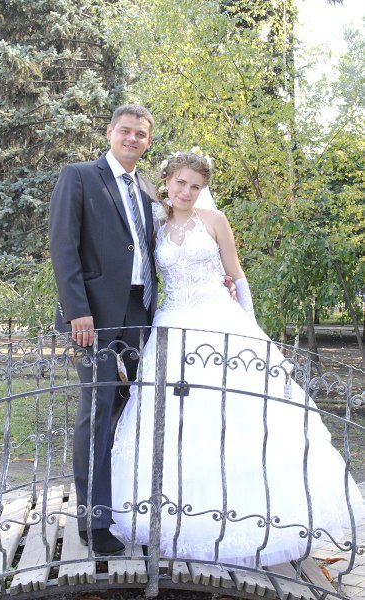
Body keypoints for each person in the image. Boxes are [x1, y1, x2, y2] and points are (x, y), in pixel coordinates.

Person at [111, 152, 365, 567]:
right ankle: (177, 519)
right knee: (175, 423)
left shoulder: (215, 221)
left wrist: (251, 330)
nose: (187, 192)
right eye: (180, 183)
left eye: (195, 186)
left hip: (219, 322)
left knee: (235, 420)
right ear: (167, 181)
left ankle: (245, 524)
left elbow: (237, 274)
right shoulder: (154, 224)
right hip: (172, 326)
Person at [49, 104, 158, 556]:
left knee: (130, 412)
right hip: (94, 315)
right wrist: (78, 310)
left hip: (141, 311)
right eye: (125, 131)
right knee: (98, 410)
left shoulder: (146, 189)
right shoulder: (79, 176)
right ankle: (93, 522)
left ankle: (128, 507)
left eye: (141, 134)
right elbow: (63, 245)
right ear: (110, 131)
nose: (132, 139)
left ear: (148, 141)